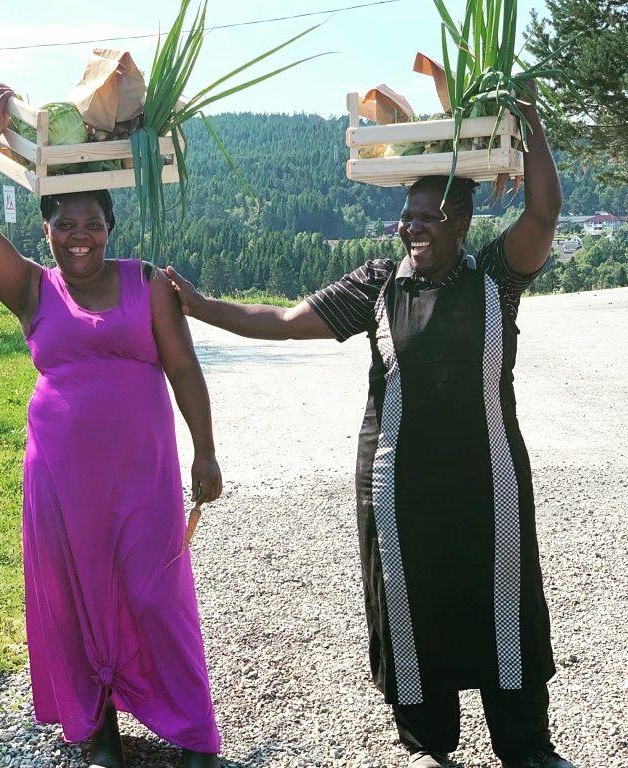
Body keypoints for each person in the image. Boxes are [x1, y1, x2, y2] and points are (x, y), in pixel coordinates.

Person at [167, 90, 576, 768]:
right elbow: (282, 320)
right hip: (398, 485)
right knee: (410, 602)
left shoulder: (497, 277)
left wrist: (531, 121)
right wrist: (201, 305)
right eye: (407, 213)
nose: (410, 225)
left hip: (488, 479)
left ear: (462, 220)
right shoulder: (378, 285)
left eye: (427, 215)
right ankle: (425, 744)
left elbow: (543, 211)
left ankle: (527, 746)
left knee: (504, 597)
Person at [0, 84, 222, 768]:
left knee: (154, 591)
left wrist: (206, 454)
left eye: (93, 223)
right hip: (60, 477)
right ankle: (96, 726)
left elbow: (186, 372)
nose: (79, 237)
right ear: (45, 228)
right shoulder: (32, 290)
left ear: (111, 226)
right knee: (75, 598)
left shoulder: (147, 282)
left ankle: (193, 728)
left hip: (144, 475)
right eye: (64, 224)